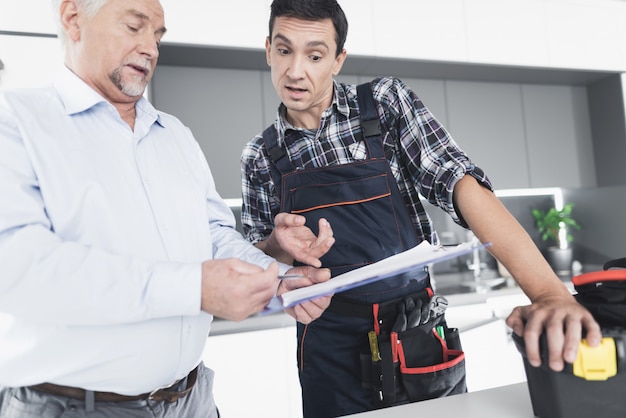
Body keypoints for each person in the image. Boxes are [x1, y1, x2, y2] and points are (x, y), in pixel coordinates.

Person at [240, 0, 602, 416]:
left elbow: (459, 184)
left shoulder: (383, 104)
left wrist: (547, 294)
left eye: (315, 55)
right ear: (268, 49)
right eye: (284, 51)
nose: (296, 70)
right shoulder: (260, 155)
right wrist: (279, 251)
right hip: (326, 345)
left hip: (414, 335)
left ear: (338, 60)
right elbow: (257, 264)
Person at [0, 0, 333, 417]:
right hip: (73, 407)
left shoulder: (174, 134)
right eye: (135, 27)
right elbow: (18, 268)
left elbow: (212, 234)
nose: (151, 48)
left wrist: (279, 279)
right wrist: (193, 288)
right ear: (73, 19)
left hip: (191, 400)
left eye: (156, 36)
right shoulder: (16, 123)